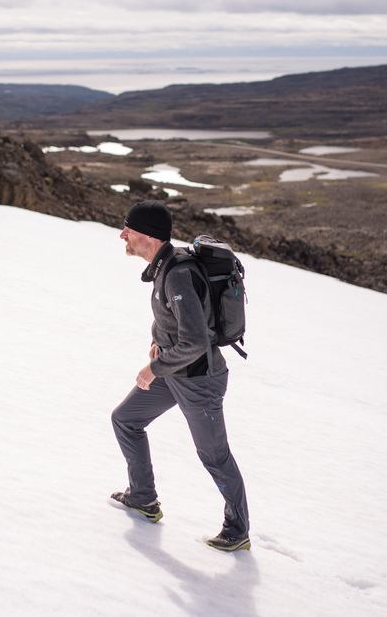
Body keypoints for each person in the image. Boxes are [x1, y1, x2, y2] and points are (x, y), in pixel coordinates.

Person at [110, 200, 251, 552]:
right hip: (177, 374)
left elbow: (196, 340)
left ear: (150, 237)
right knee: (125, 419)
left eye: (129, 229)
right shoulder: (165, 267)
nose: (122, 235)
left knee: (214, 456)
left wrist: (153, 369)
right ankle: (144, 498)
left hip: (200, 381)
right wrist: (159, 341)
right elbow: (176, 320)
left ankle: (238, 531)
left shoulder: (177, 273)